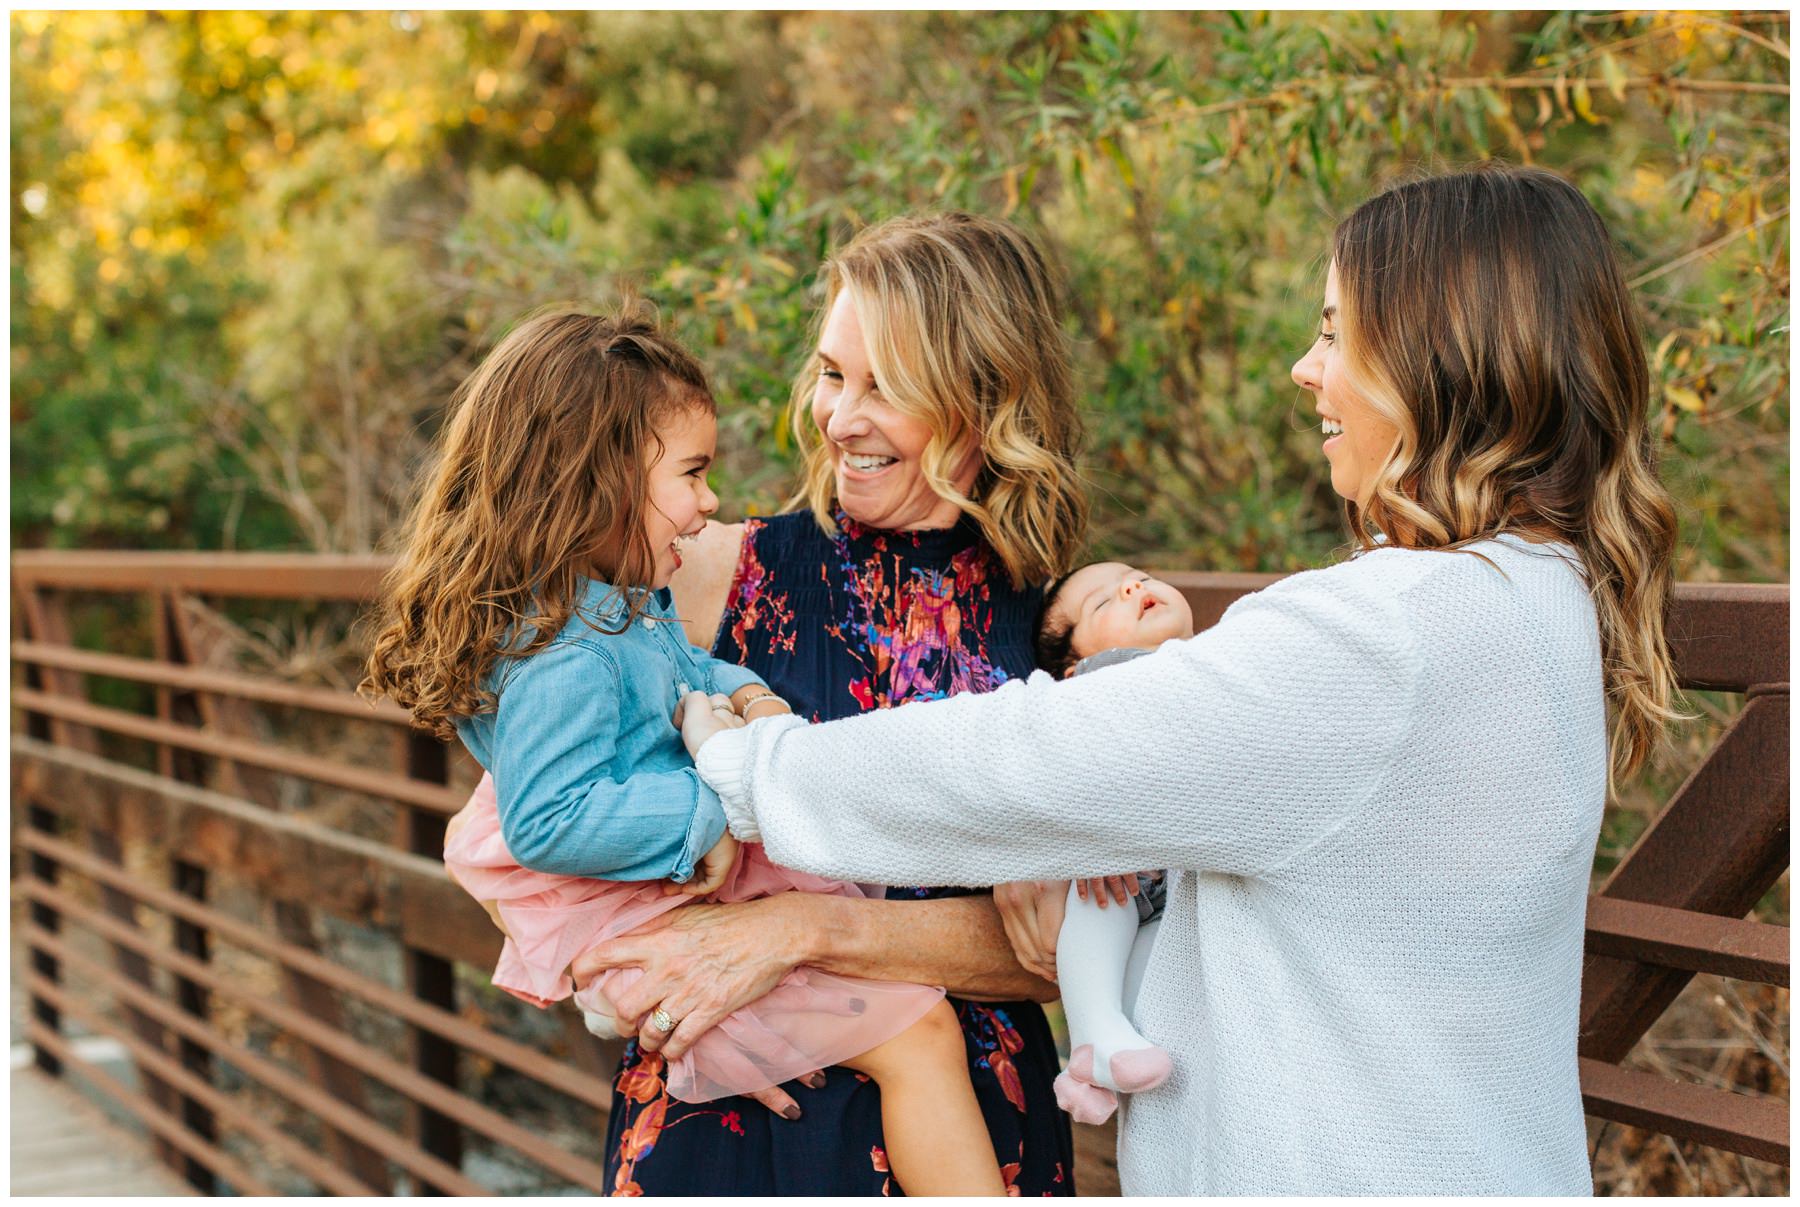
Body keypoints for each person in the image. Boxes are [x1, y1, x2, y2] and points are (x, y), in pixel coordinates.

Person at [678, 166, 1681, 1194]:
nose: (1306, 367)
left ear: (1440, 359)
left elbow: (1038, 759)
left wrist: (759, 768)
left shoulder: (1388, 639)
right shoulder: (1540, 598)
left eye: (1336, 332)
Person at [360, 304, 1008, 1196]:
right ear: (594, 480)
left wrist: (739, 688)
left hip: (674, 894)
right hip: (648, 905)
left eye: (884, 384)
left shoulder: (616, 602)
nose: (708, 504)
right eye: (693, 473)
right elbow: (545, 819)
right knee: (920, 1039)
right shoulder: (567, 653)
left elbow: (678, 666)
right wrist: (718, 809)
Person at [569, 211, 1090, 1195]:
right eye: (832, 373)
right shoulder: (709, 575)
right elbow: (534, 811)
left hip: (969, 1133)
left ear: (984, 393)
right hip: (727, 1124)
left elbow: (1057, 952)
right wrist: (642, 972)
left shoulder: (1056, 628)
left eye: (883, 385)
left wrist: (795, 931)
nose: (837, 416)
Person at [1030, 563, 1195, 1124]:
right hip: (1126, 867)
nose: (1134, 588)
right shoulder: (1109, 677)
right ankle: (1094, 1033)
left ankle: (1093, 1058)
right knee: (1098, 910)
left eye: (1140, 576)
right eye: (1103, 605)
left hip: (1176, 881)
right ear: (1074, 669)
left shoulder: (1215, 658)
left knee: (1139, 974)